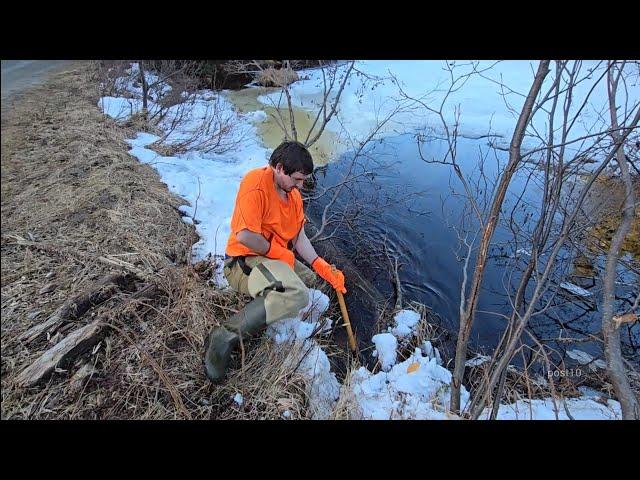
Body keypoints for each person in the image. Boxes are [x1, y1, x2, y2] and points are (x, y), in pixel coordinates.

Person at [204, 140, 347, 383]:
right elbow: (245, 235)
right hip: (242, 260)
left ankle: (277, 306)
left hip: (272, 257)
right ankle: (223, 336)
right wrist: (277, 253)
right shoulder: (255, 184)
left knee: (312, 281)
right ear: (280, 168)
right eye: (297, 179)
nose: (300, 186)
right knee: (296, 294)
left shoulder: (293, 197)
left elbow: (299, 237)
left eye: (303, 180)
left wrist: (320, 264)